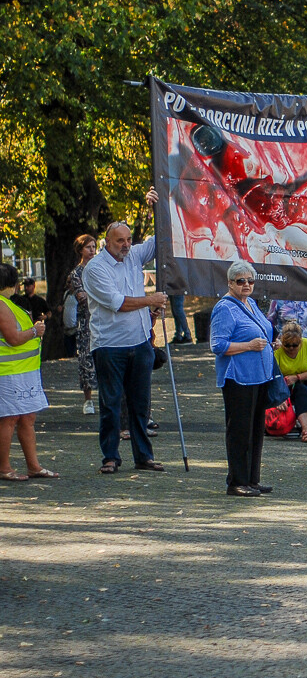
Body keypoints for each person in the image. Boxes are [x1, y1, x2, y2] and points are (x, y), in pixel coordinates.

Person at [82, 189, 169, 474]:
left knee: (140, 405)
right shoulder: (95, 269)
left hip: (140, 342)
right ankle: (110, 457)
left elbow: (159, 241)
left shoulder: (133, 257)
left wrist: (157, 209)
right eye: (120, 240)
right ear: (107, 242)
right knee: (110, 404)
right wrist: (151, 301)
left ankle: (143, 456)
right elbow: (117, 304)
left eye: (129, 239)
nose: (126, 245)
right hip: (109, 345)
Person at [209, 261, 274, 497]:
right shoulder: (224, 308)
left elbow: (263, 331)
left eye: (250, 281)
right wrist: (249, 345)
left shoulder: (252, 304)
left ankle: (251, 479)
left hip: (259, 377)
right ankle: (236, 481)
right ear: (230, 283)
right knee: (239, 430)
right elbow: (218, 345)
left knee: (256, 430)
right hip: (238, 378)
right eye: (240, 281)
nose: (246, 285)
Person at [0, 263, 57, 481]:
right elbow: (13, 339)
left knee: (27, 417)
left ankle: (33, 465)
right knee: (9, 418)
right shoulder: (2, 305)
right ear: (13, 283)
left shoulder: (9, 304)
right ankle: (4, 467)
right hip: (10, 372)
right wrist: (35, 331)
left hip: (24, 372)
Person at [66, 234, 98, 415]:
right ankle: (88, 399)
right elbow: (82, 297)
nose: (92, 250)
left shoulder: (102, 268)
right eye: (88, 247)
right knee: (86, 359)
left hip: (103, 320)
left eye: (94, 246)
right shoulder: (76, 273)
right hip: (86, 322)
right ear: (80, 250)